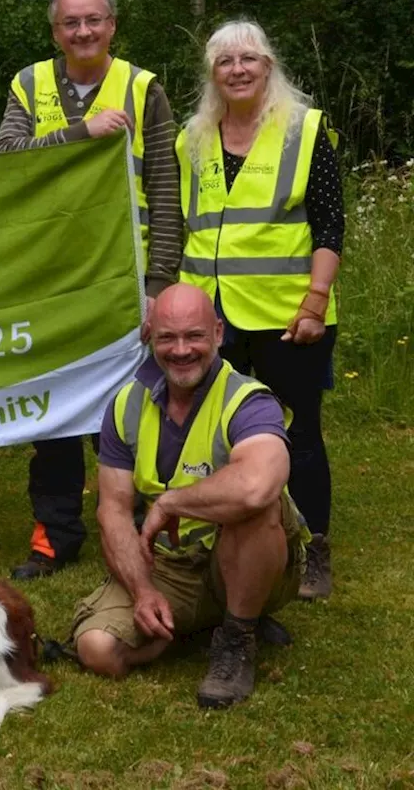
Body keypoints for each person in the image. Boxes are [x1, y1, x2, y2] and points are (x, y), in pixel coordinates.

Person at [0, 0, 182, 581]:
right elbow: (6, 160)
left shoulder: (144, 87)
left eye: (93, 20)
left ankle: (148, 530)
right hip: (50, 280)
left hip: (123, 282)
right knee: (53, 413)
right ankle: (54, 535)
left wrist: (159, 285)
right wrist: (82, 132)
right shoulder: (29, 83)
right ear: (55, 32)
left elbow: (164, 185)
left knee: (136, 412)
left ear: (112, 26)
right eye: (71, 23)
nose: (83, 32)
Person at [72, 284, 308, 709]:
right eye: (167, 337)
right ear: (149, 335)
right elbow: (113, 510)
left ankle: (237, 638)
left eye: (194, 336)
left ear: (218, 333)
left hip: (250, 554)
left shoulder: (248, 400)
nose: (181, 350)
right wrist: (142, 591)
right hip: (171, 564)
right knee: (96, 649)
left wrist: (170, 502)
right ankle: (197, 624)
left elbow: (257, 485)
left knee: (255, 505)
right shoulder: (125, 405)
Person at [176, 19, 344, 599]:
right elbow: (179, 225)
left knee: (297, 431)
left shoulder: (303, 130)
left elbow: (330, 225)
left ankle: (314, 544)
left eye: (249, 59)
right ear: (212, 74)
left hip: (287, 314)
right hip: (212, 321)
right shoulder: (191, 138)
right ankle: (234, 539)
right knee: (223, 432)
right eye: (225, 62)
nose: (238, 70)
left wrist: (316, 302)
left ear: (268, 67)